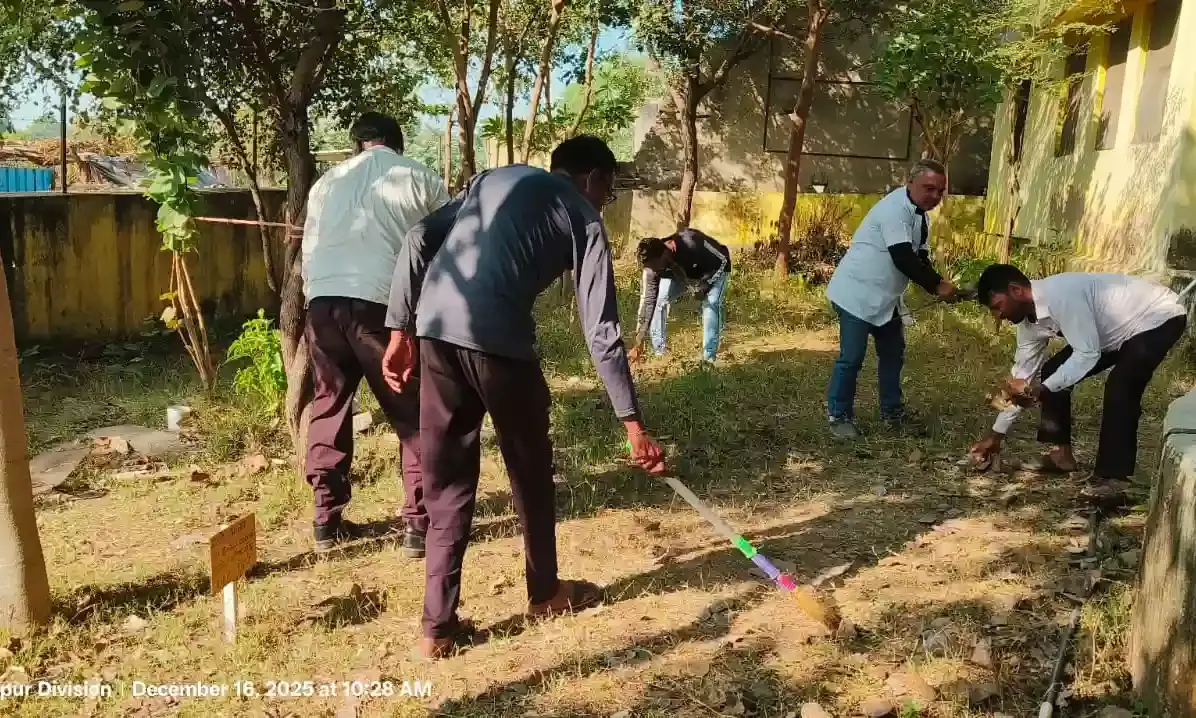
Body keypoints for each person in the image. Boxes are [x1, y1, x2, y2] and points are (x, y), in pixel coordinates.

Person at [381, 135, 667, 660]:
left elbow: (420, 236)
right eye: (608, 189)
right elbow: (601, 329)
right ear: (594, 180)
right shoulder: (582, 214)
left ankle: (436, 629)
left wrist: (399, 331)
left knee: (445, 480)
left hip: (435, 333)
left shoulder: (493, 180)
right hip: (500, 345)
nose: (605, 200)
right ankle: (546, 593)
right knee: (530, 470)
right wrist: (632, 423)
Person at [300, 111, 450, 555]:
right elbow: (443, 251)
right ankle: (418, 525)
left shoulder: (327, 183)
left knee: (329, 404)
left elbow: (309, 250)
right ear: (397, 144)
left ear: (357, 144)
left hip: (323, 305)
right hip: (384, 307)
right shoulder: (421, 179)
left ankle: (326, 520)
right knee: (411, 411)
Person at [968, 264, 1187, 503]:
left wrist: (1043, 389)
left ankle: (1113, 480)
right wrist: (995, 435)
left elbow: (1087, 355)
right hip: (1110, 333)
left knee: (1121, 386)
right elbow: (1022, 380)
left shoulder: (1061, 295)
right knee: (1051, 372)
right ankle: (1061, 457)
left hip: (1158, 316)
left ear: (1016, 290)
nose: (997, 316)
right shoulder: (1028, 327)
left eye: (998, 307)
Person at [823, 159, 960, 440]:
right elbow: (902, 257)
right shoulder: (894, 209)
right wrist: (937, 286)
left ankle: (892, 412)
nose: (934, 196)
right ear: (909, 182)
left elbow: (919, 256)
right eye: (929, 188)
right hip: (856, 295)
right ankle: (839, 416)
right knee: (851, 358)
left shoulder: (921, 217)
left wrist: (939, 285)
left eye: (940, 191)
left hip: (886, 299)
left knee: (892, 355)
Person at [629, 229, 731, 365]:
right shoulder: (652, 269)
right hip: (683, 274)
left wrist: (707, 284)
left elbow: (723, 260)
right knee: (660, 301)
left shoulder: (692, 242)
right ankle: (660, 353)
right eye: (651, 268)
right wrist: (638, 341)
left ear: (666, 253)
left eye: (657, 267)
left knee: (710, 303)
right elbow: (648, 303)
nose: (655, 271)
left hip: (713, 270)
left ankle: (708, 358)